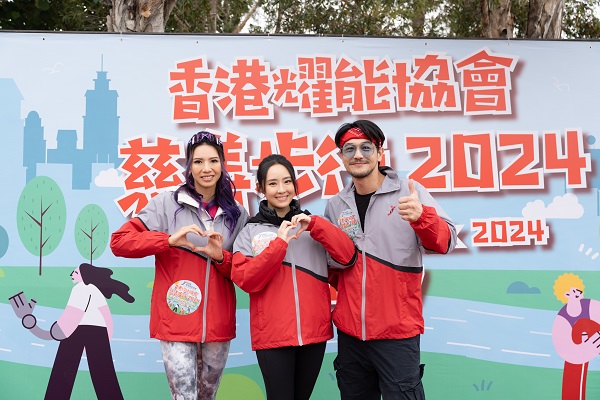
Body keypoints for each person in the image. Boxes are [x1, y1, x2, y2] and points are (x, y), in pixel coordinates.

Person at [110, 131, 249, 400]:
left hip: (218, 322)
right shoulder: (166, 203)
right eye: (198, 162)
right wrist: (167, 240)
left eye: (213, 161)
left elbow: (242, 270)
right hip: (177, 317)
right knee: (183, 397)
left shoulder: (237, 214)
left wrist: (220, 257)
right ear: (188, 166)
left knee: (207, 396)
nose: (206, 169)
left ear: (222, 164)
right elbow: (120, 242)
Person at [324, 120, 457, 400]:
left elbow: (446, 242)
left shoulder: (409, 192)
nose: (357, 155)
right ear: (341, 157)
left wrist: (423, 217)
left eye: (365, 147)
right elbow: (334, 265)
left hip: (397, 333)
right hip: (350, 336)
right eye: (349, 149)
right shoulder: (336, 205)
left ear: (380, 152)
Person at [231, 154, 357, 400]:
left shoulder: (312, 228)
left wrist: (316, 226)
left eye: (287, 182)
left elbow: (347, 256)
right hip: (273, 336)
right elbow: (247, 279)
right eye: (273, 183)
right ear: (261, 188)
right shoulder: (250, 231)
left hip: (314, 333)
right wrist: (279, 244)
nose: (282, 190)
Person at [8, 263, 134, 400]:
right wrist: (102, 343)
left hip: (79, 331)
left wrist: (31, 325)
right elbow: (108, 322)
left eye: (76, 272)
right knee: (105, 378)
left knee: (61, 379)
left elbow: (67, 324)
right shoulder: (96, 292)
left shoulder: (81, 289)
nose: (72, 274)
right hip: (98, 332)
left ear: (85, 276)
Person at [552, 273, 600, 400]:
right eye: (574, 291)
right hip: (578, 354)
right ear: (566, 295)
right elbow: (564, 349)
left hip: (593, 342)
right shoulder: (563, 319)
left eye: (579, 289)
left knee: (582, 325)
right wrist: (586, 348)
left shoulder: (590, 306)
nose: (579, 292)